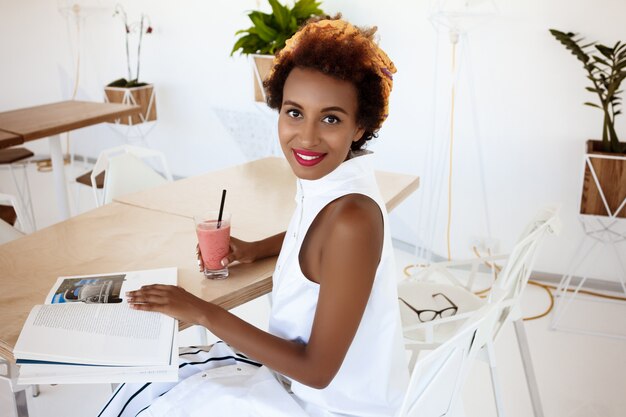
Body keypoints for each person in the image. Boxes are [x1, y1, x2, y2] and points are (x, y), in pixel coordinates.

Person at [99, 16, 408, 417]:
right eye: (294, 113)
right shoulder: (338, 184)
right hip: (303, 386)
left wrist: (202, 311)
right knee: (156, 382)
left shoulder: (352, 219)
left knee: (155, 391)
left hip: (326, 404)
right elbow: (316, 234)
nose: (308, 136)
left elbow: (316, 371)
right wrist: (255, 249)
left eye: (330, 118)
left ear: (359, 126)